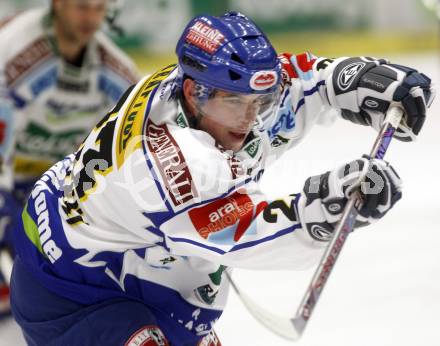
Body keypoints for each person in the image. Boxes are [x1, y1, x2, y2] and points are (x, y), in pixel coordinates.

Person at [10, 11, 434, 346]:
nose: (251, 118)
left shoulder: (203, 89)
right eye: (237, 102)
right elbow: (245, 233)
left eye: (258, 100)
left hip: (131, 256)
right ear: (196, 93)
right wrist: (324, 205)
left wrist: (352, 81)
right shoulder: (169, 165)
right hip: (67, 289)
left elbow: (299, 83)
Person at [0, 0, 139, 320]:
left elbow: (128, 141)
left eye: (99, 8)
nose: (91, 18)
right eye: (82, 7)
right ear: (58, 4)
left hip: (49, 178)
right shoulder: (11, 46)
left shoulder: (116, 69)